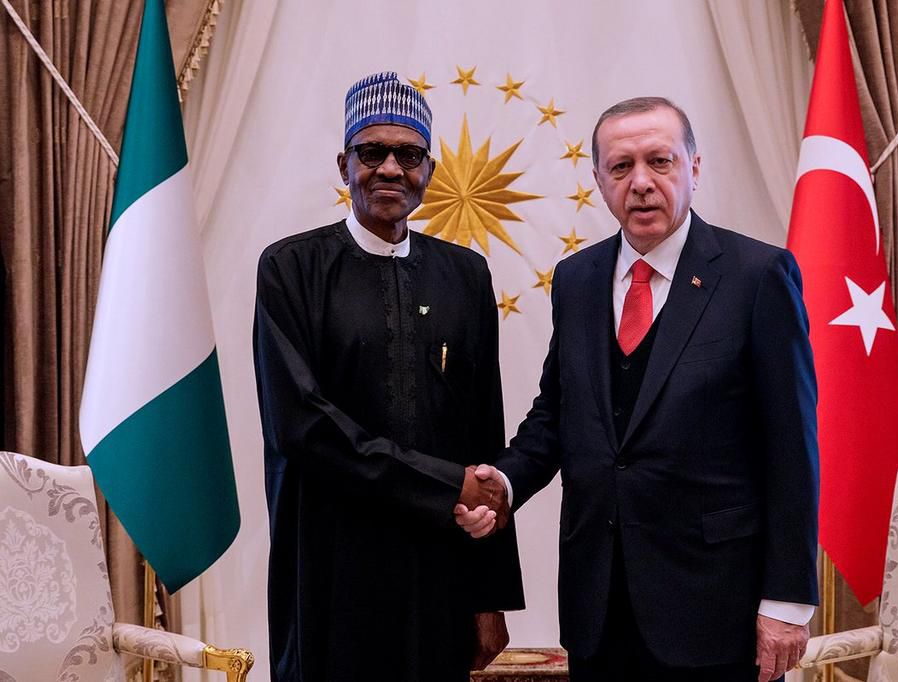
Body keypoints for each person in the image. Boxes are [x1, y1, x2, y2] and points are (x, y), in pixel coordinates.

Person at [457, 97, 819, 682]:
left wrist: (786, 604)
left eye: (660, 162)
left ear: (694, 168)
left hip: (716, 610)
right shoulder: (577, 280)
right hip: (598, 607)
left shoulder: (758, 276)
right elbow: (557, 414)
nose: (642, 183)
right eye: (621, 167)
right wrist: (503, 481)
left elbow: (793, 450)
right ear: (599, 179)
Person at [254, 71, 524, 682]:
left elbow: (486, 434)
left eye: (409, 154)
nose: (390, 169)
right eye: (371, 151)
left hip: (440, 571)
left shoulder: (465, 276)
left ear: (430, 169)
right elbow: (304, 427)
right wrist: (448, 483)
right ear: (344, 161)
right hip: (329, 566)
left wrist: (490, 594)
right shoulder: (290, 268)